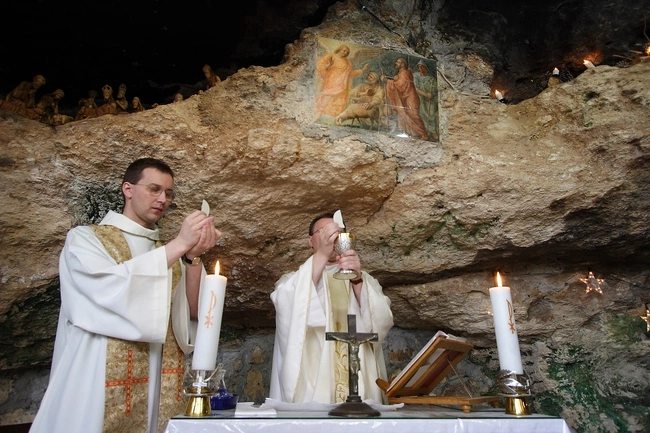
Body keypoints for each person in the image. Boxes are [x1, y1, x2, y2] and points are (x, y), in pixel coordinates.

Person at [29, 158, 221, 433]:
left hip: (156, 378)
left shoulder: (166, 254)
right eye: (154, 189)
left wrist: (192, 257)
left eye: (168, 193)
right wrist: (179, 244)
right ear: (128, 189)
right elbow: (109, 290)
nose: (163, 199)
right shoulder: (85, 239)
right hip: (96, 376)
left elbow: (191, 314)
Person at [270, 212, 393, 404]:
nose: (333, 237)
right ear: (311, 241)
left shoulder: (364, 279)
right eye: (324, 231)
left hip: (358, 377)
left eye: (338, 233)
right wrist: (321, 255)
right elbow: (288, 308)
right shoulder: (293, 280)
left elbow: (382, 322)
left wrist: (358, 280)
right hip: (314, 381)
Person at [314, 44, 369, 122]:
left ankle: (333, 119)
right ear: (339, 49)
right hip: (331, 82)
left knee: (339, 101)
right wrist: (328, 66)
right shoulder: (331, 56)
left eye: (347, 52)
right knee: (326, 99)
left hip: (342, 85)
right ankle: (319, 115)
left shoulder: (347, 62)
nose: (345, 53)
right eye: (344, 50)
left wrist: (362, 70)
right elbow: (320, 65)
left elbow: (350, 73)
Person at [381, 57, 428, 140]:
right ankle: (413, 133)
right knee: (405, 114)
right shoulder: (401, 73)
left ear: (402, 64)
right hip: (405, 98)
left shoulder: (404, 73)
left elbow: (401, 85)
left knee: (413, 114)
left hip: (411, 97)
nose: (396, 63)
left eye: (398, 62)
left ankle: (424, 134)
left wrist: (387, 81)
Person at [413, 59, 439, 141]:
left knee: (431, 114)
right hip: (420, 98)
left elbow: (435, 90)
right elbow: (416, 88)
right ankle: (426, 132)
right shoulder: (416, 76)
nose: (421, 69)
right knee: (422, 114)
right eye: (419, 67)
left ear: (426, 68)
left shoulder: (431, 79)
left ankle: (433, 131)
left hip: (430, 100)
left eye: (423, 67)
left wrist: (431, 94)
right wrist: (426, 94)